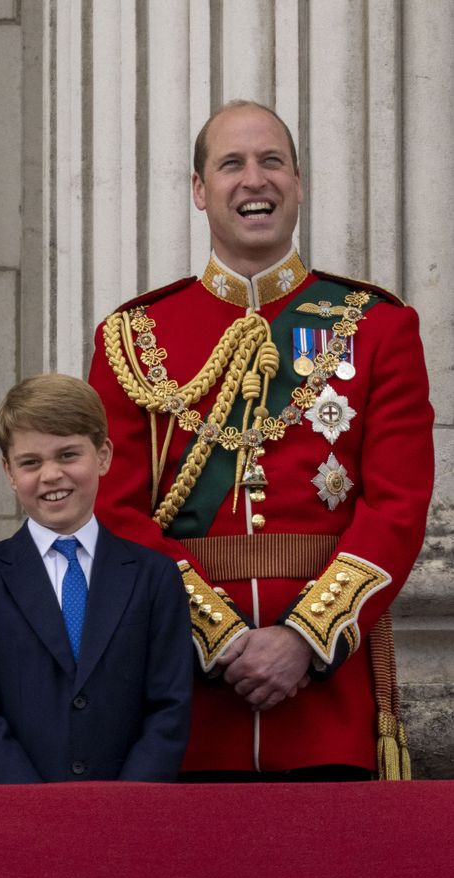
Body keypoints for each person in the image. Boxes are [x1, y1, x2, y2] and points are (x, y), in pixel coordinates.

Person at [88, 100, 434, 780]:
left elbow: (398, 507)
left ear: (298, 183)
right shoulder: (132, 338)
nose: (255, 179)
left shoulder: (377, 327)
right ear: (199, 190)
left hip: (326, 701)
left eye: (272, 161)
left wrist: (304, 640)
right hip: (182, 702)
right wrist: (218, 638)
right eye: (231, 164)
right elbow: (113, 509)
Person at [0, 373, 192, 784]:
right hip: (16, 813)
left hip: (128, 814)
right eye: (31, 462)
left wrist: (126, 803)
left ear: (104, 455)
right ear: (8, 471)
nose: (51, 475)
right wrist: (38, 808)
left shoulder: (154, 576)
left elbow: (169, 706)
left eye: (68, 455)